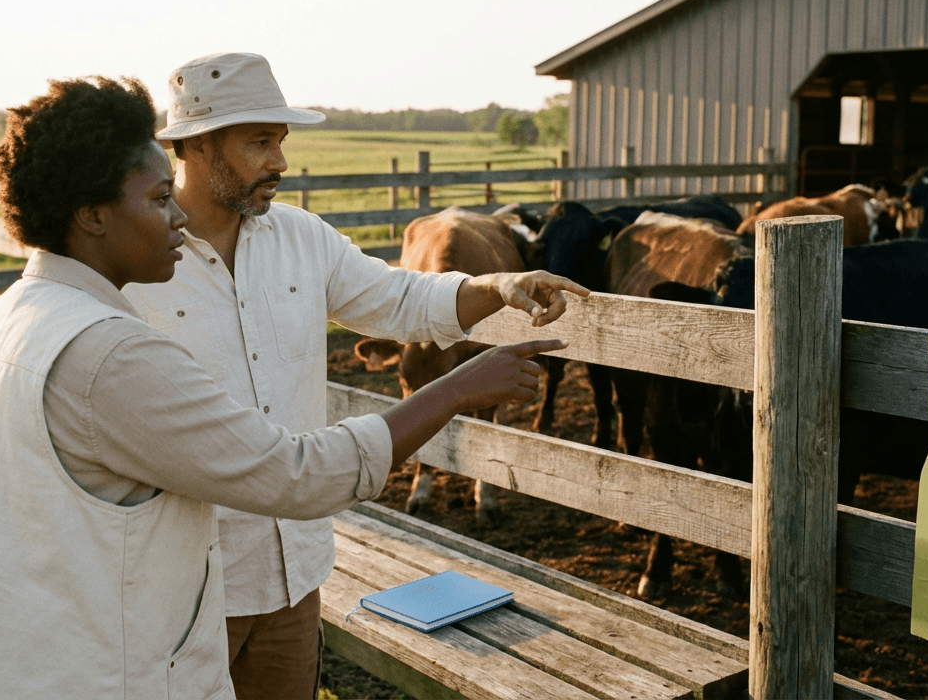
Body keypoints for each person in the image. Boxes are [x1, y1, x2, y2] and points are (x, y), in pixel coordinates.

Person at [0, 76, 564, 699]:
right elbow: (294, 474)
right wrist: (452, 392)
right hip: (155, 621)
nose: (177, 221)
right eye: (159, 199)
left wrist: (495, 287)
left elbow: (394, 295)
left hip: (225, 590)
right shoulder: (107, 344)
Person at [124, 53, 588, 699]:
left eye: (281, 141)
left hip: (296, 572)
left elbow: (401, 300)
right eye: (260, 141)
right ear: (196, 145)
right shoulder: (137, 258)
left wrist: (501, 285)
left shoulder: (301, 238)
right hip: (185, 588)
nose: (280, 162)